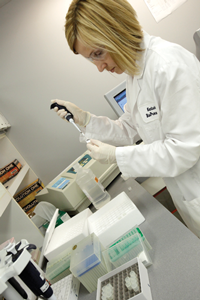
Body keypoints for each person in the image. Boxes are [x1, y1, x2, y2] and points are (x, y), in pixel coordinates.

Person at [51, 0, 200, 238]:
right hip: (188, 193)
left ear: (118, 29)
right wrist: (86, 120)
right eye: (91, 58)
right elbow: (130, 126)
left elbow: (183, 151)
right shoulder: (136, 72)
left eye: (98, 53)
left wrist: (117, 156)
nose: (99, 67)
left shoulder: (167, 66)